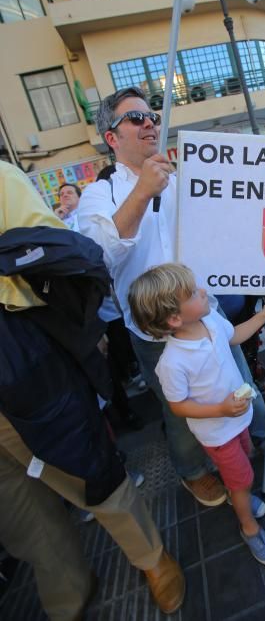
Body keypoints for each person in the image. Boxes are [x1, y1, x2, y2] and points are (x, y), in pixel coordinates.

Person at [78, 87, 265, 509]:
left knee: (240, 380)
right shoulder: (100, 194)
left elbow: (237, 201)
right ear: (112, 137)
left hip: (204, 310)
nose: (149, 123)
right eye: (136, 119)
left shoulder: (182, 177)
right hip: (153, 327)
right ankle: (193, 471)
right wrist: (142, 191)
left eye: (152, 116)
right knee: (178, 407)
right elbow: (98, 255)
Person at [0, 161, 185, 618]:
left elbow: (67, 257)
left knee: (86, 468)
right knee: (17, 505)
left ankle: (151, 558)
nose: (145, 126)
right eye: (134, 119)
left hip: (18, 363)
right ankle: (66, 591)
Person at [129, 263, 265, 566]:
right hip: (217, 431)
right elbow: (178, 406)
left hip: (238, 420)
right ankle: (249, 527)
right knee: (241, 477)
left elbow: (234, 335)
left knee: (245, 457)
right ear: (174, 318)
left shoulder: (210, 320)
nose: (204, 291)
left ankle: (242, 494)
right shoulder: (172, 362)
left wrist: (264, 314)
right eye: (194, 293)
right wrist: (220, 409)